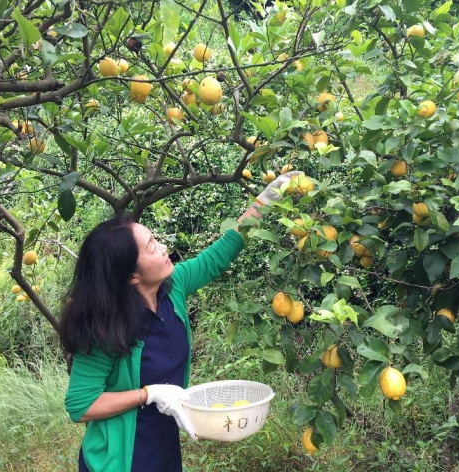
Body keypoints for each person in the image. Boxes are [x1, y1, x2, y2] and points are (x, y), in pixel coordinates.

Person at [59, 172, 300, 472]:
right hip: (117, 461)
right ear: (131, 275)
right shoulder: (105, 328)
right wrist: (149, 394)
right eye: (150, 247)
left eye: (155, 240)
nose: (162, 248)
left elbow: (220, 254)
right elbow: (80, 406)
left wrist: (264, 201)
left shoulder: (173, 287)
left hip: (163, 449)